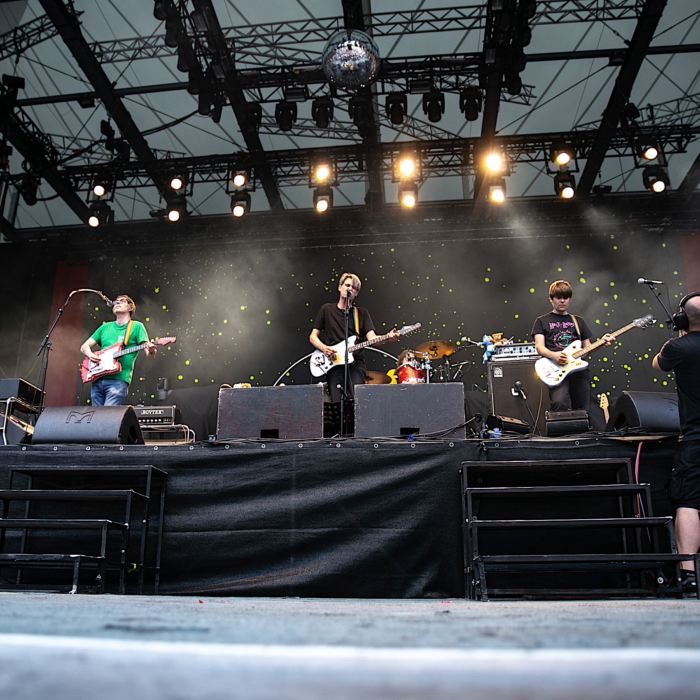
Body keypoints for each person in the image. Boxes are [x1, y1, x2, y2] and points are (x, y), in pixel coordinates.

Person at [652, 292, 700, 594]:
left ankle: (688, 576)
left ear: (682, 319)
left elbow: (658, 364)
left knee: (689, 503)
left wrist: (679, 335)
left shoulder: (677, 348)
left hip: (695, 438)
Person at [309, 272, 399, 403]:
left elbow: (372, 338)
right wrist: (324, 348)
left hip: (355, 365)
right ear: (340, 287)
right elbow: (312, 336)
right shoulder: (326, 309)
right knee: (336, 403)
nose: (350, 288)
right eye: (347, 285)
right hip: (333, 364)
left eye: (354, 288)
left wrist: (387, 337)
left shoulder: (361, 314)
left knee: (356, 403)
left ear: (356, 293)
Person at [532, 280, 613, 414]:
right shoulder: (541, 321)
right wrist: (554, 355)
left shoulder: (578, 321)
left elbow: (587, 349)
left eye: (566, 297)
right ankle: (560, 433)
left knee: (582, 407)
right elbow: (539, 347)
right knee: (559, 403)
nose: (562, 301)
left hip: (578, 371)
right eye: (559, 297)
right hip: (556, 369)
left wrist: (602, 343)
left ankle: (582, 433)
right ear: (551, 299)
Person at [80, 294, 156, 406]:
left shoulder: (136, 326)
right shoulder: (105, 327)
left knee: (107, 418)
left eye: (122, 301)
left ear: (130, 308)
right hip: (98, 379)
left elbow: (148, 353)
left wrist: (152, 350)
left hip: (118, 381)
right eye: (116, 301)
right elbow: (84, 347)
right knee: (96, 419)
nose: (117, 303)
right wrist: (90, 355)